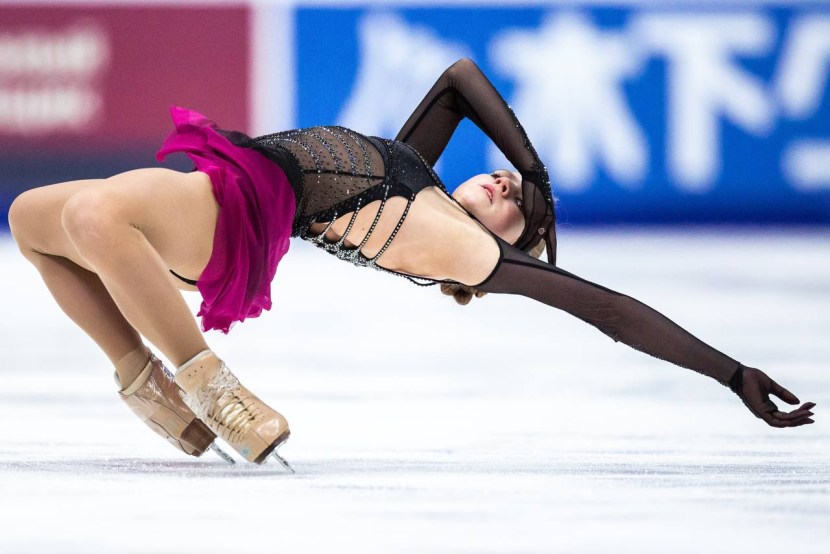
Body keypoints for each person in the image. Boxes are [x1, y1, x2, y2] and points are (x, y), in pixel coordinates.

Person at [7, 58, 815, 469]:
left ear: (502, 244)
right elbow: (460, 80)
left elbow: (604, 308)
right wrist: (534, 173)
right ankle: (148, 386)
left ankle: (213, 389)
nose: (504, 188)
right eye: (505, 184)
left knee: (91, 214)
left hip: (244, 206)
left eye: (516, 210)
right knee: (32, 219)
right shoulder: (415, 175)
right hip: (230, 199)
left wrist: (730, 372)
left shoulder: (462, 249)